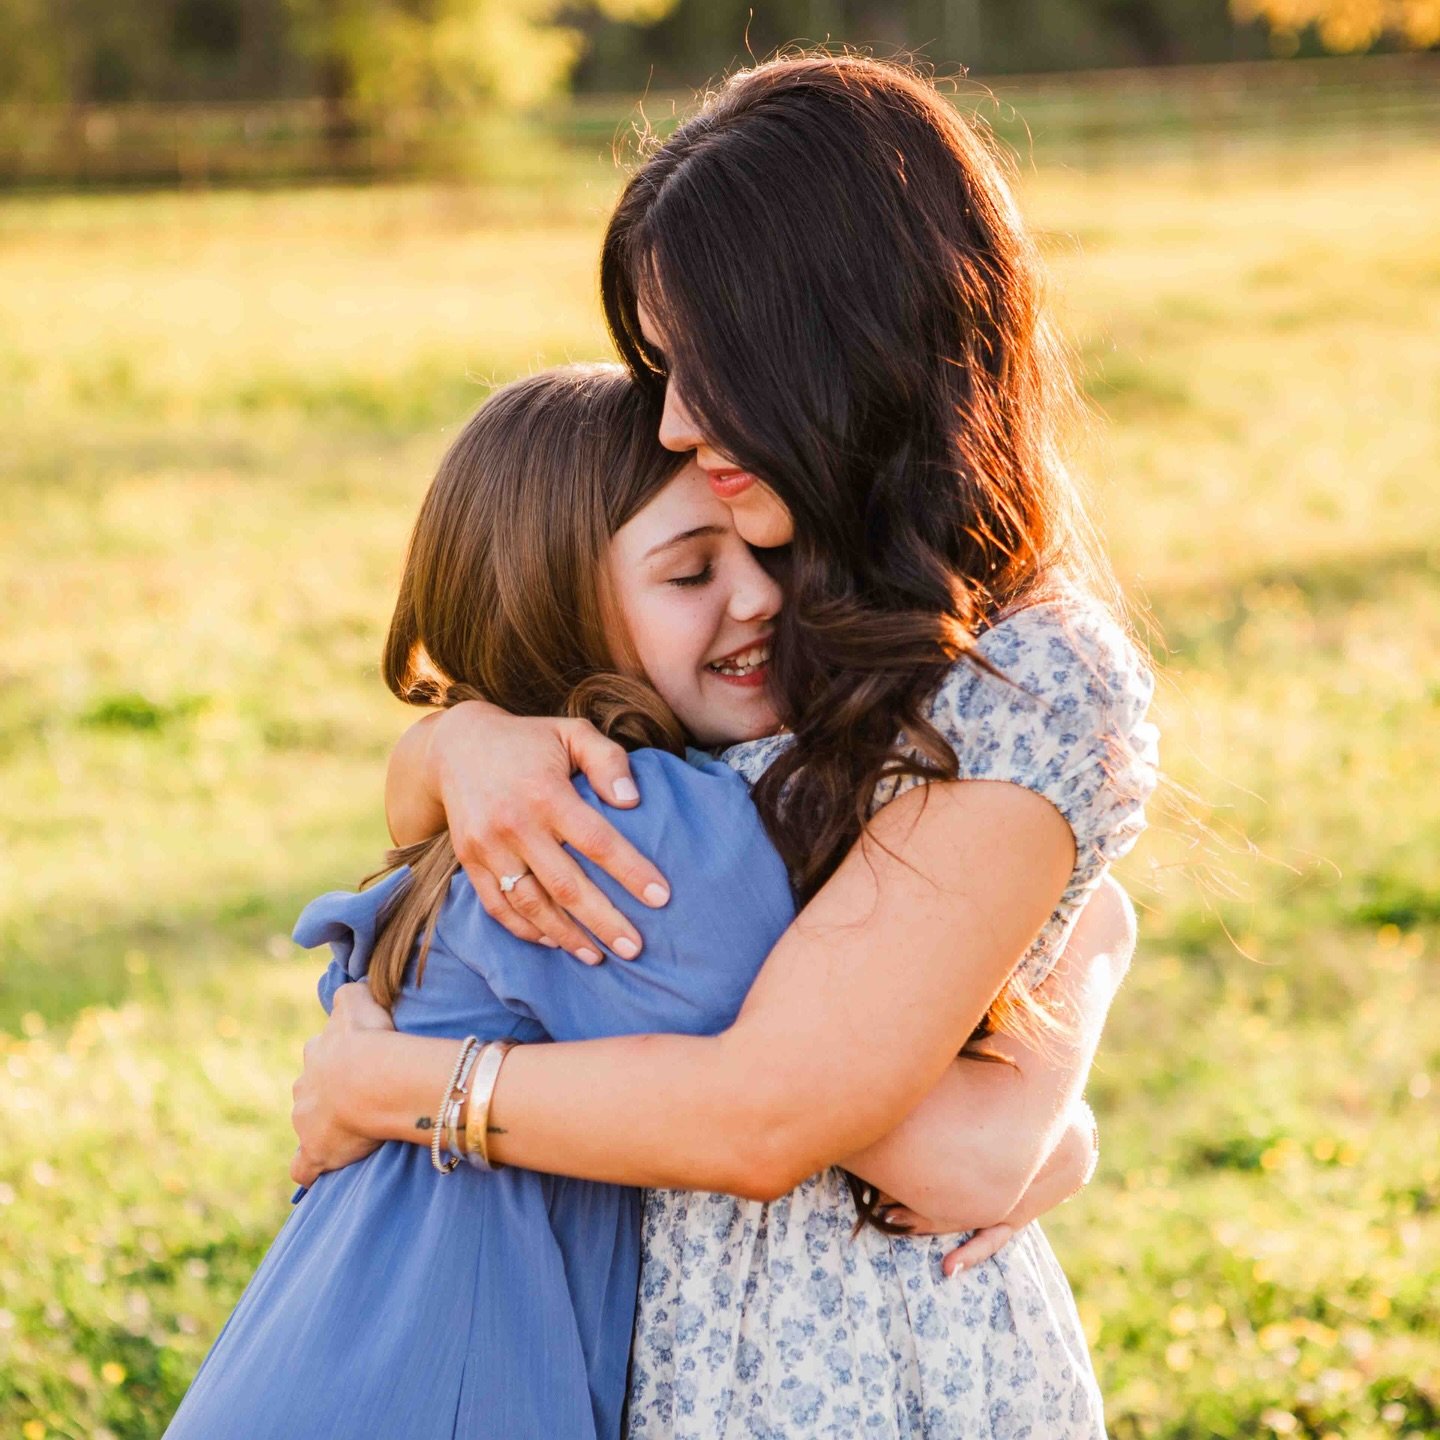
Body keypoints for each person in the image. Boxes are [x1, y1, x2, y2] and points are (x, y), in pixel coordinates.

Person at [291, 54, 1159, 1438]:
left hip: (875, 1372)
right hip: (676, 1347)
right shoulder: (782, 599)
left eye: (707, 365)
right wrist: (469, 743)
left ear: (836, 342)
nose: (677, 422)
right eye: (658, 366)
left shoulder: (1024, 675)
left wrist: (396, 1086)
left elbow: (788, 1116)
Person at [165, 364, 1109, 1440]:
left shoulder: (517, 793)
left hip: (331, 1354)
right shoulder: (621, 826)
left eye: (763, 554)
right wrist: (1068, 1031)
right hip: (436, 1385)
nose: (758, 597)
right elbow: (931, 1139)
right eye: (689, 573)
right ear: (556, 604)